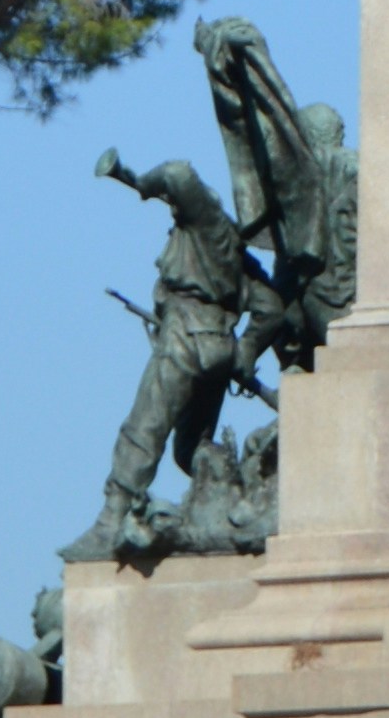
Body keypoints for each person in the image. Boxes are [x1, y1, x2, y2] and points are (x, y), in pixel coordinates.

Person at [85, 143, 261, 552]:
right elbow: (268, 307)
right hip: (217, 347)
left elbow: (178, 173)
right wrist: (245, 353)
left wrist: (144, 184)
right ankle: (231, 501)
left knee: (144, 425)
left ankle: (112, 516)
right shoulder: (237, 254)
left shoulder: (207, 223)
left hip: (185, 336)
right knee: (190, 450)